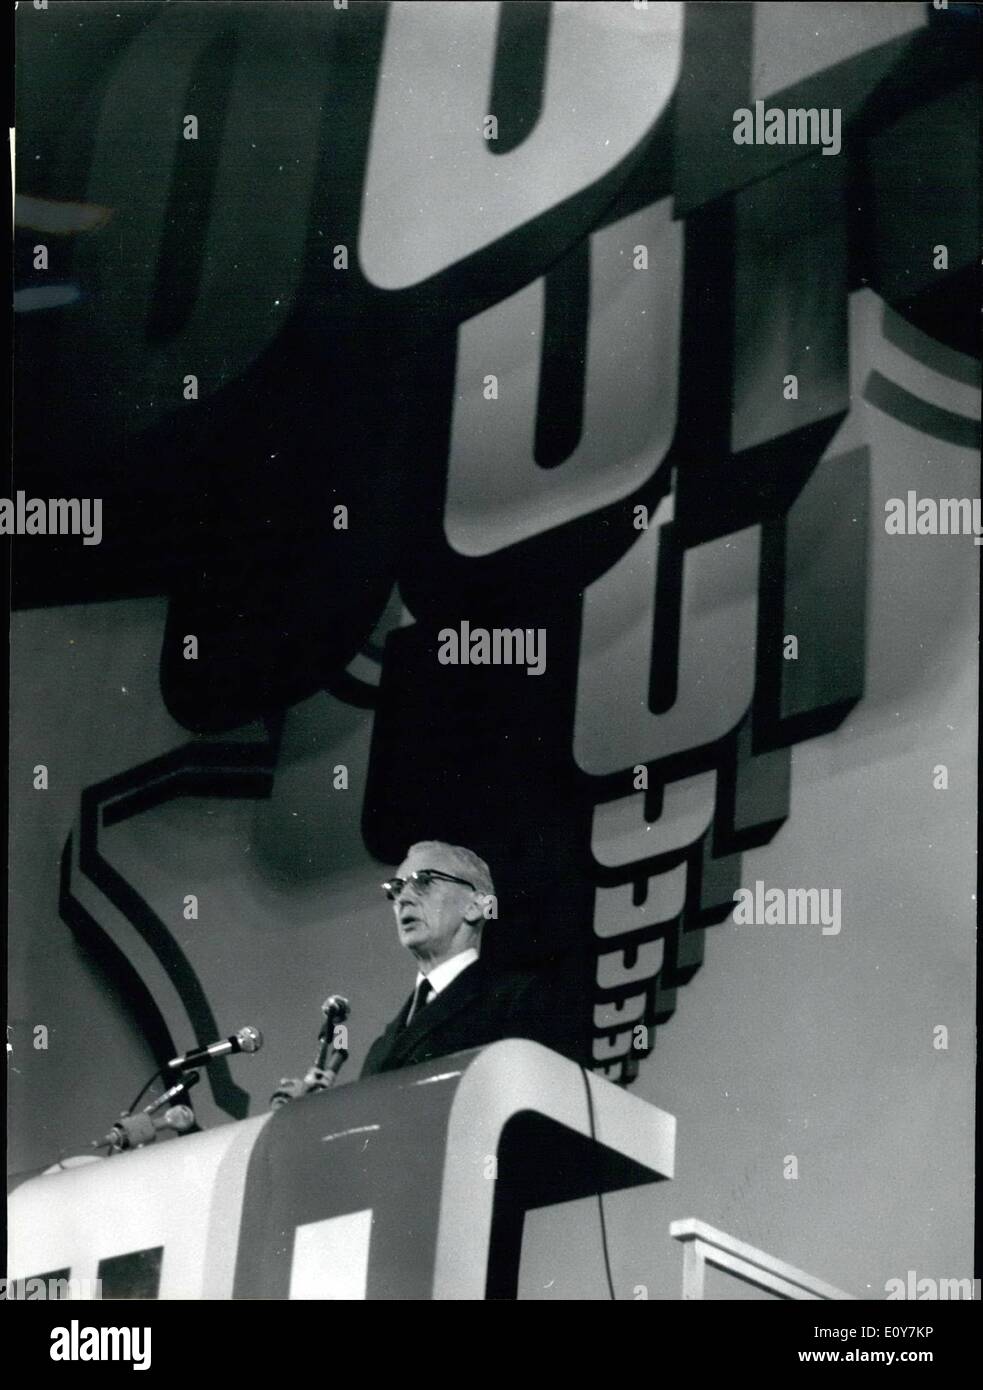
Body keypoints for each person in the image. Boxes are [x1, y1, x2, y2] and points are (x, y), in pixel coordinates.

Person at [360, 840, 575, 1077]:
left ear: (475, 906)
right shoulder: (381, 1048)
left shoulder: (521, 999)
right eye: (397, 888)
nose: (403, 899)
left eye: (424, 881)